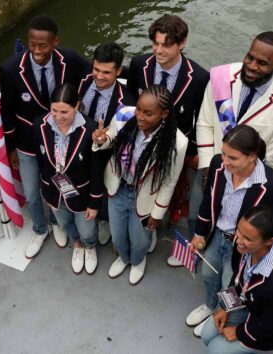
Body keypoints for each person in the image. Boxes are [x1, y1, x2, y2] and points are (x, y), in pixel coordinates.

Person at [187, 31, 273, 268]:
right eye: (249, 57)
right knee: (198, 213)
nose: (251, 66)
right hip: (213, 166)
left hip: (248, 181)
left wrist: (236, 175)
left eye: (262, 63)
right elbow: (205, 123)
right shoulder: (220, 77)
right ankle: (197, 254)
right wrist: (210, 165)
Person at [186, 125, 273, 337]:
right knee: (207, 274)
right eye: (223, 154)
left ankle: (221, 312)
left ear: (252, 156)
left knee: (230, 284)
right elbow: (208, 202)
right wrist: (199, 233)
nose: (224, 161)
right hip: (216, 236)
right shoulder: (217, 165)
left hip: (242, 247)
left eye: (232, 158)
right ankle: (210, 305)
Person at [0, 15, 91, 255]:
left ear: (56, 42)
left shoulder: (70, 59)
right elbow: (6, 112)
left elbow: (91, 73)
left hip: (62, 141)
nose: (37, 51)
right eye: (32, 45)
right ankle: (41, 229)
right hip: (28, 144)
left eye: (43, 46)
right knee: (31, 193)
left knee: (57, 186)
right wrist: (10, 148)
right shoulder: (10, 69)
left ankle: (57, 222)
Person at [92, 85, 187, 285]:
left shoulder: (177, 142)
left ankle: (137, 260)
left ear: (164, 113)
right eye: (138, 109)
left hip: (145, 197)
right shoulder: (125, 114)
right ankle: (124, 257)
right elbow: (111, 138)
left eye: (148, 113)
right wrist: (102, 139)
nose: (140, 116)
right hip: (118, 188)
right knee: (117, 236)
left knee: (140, 240)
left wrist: (157, 214)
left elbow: (169, 182)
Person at [126, 14, 209, 238]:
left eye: (167, 45)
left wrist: (193, 152)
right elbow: (130, 100)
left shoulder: (200, 78)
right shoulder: (138, 64)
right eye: (155, 43)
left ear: (182, 43)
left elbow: (202, 118)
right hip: (140, 143)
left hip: (174, 148)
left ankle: (155, 226)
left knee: (168, 191)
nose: (158, 50)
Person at [201, 207, 273, 353]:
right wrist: (225, 308)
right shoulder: (246, 247)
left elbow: (270, 324)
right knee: (206, 334)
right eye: (239, 230)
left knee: (215, 349)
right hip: (249, 304)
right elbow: (238, 279)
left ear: (270, 241)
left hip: (269, 328)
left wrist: (239, 332)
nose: (238, 240)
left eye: (247, 238)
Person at [32, 84, 103, 274]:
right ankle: (77, 245)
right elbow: (41, 162)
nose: (58, 116)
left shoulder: (91, 130)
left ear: (77, 106)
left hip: (82, 193)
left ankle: (89, 246)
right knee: (64, 223)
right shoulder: (39, 125)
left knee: (87, 228)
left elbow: (97, 169)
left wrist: (94, 202)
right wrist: (45, 187)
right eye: (54, 110)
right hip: (54, 191)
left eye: (64, 111)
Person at [78, 42, 136, 245]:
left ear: (119, 70)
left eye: (106, 72)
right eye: (96, 70)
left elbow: (123, 138)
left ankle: (103, 219)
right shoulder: (82, 81)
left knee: (102, 186)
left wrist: (104, 140)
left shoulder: (127, 102)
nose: (99, 77)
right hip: (78, 147)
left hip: (105, 153)